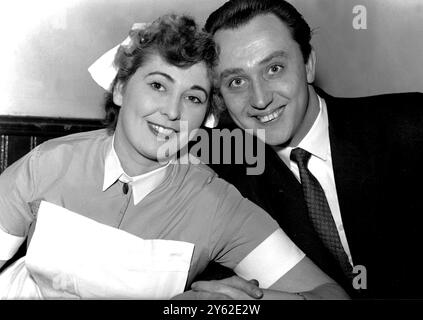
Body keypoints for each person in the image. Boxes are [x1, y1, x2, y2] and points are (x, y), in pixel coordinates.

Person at [0, 13, 348, 299]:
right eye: (158, 85)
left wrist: (226, 307)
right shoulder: (48, 163)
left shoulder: (216, 205)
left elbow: (329, 295)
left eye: (193, 98)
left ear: (206, 118)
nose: (171, 111)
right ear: (120, 88)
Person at [194, 0, 423, 299]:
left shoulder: (410, 126)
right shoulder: (221, 181)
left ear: (309, 64)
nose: (260, 99)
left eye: (274, 68)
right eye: (237, 81)